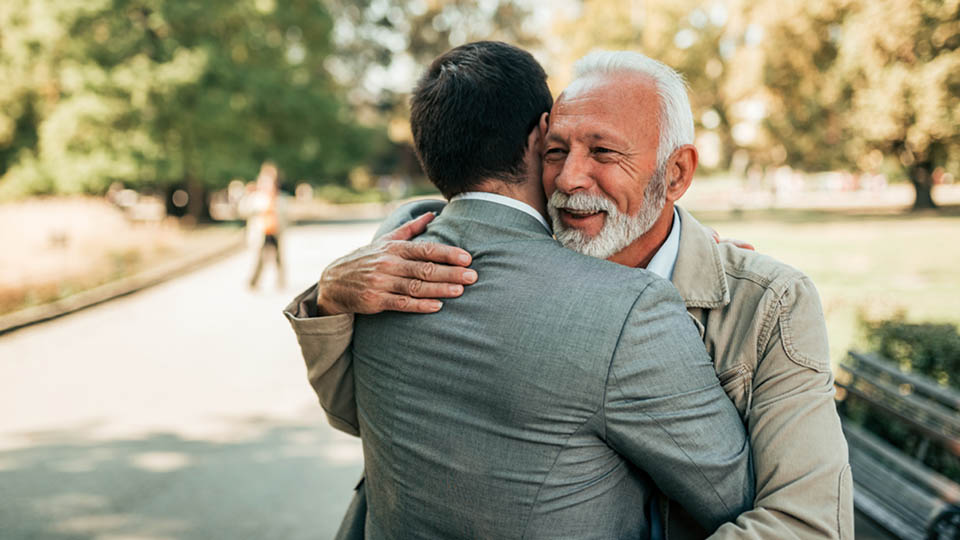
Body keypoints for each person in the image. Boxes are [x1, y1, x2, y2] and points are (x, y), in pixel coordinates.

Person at [288, 48, 854, 539]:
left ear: (676, 175)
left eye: (603, 153)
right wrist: (330, 296)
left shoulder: (768, 302)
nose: (568, 179)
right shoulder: (429, 254)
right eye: (557, 151)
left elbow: (803, 523)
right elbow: (367, 411)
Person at [243, 161, 286, 289]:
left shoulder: (278, 199)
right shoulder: (256, 198)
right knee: (259, 258)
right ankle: (253, 281)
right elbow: (244, 210)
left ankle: (280, 280)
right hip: (261, 231)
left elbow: (284, 216)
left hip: (274, 230)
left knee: (278, 258)